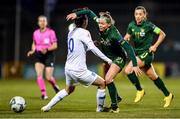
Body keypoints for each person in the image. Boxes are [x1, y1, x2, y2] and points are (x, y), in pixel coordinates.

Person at [66, 8, 142, 113]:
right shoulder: (99, 22)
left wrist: (134, 64)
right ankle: (117, 97)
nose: (100, 25)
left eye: (102, 24)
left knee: (108, 79)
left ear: (109, 25)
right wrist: (76, 14)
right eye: (99, 23)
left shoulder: (114, 34)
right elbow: (88, 11)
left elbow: (128, 48)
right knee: (106, 81)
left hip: (118, 57)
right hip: (109, 58)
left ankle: (115, 107)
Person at [41, 9, 112, 112]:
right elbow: (93, 49)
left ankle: (47, 107)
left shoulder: (71, 32)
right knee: (102, 83)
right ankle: (100, 109)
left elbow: (78, 49)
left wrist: (90, 45)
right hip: (79, 71)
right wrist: (108, 60)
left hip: (68, 69)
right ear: (85, 21)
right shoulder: (84, 32)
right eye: (86, 19)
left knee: (68, 90)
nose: (87, 21)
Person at [124, 6, 174, 108]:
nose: (138, 16)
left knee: (128, 70)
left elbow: (162, 34)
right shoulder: (131, 25)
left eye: (140, 14)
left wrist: (154, 46)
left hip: (147, 54)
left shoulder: (149, 25)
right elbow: (127, 36)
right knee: (153, 77)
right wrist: (126, 39)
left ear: (144, 15)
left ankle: (140, 90)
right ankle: (168, 95)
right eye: (136, 14)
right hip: (138, 54)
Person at [27, 15, 60, 100]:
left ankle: (55, 86)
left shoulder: (51, 32)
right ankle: (43, 94)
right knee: (39, 75)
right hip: (39, 55)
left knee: (48, 77)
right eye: (40, 21)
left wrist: (47, 49)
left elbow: (55, 45)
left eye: (44, 21)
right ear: (38, 23)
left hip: (49, 55)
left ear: (46, 22)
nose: (42, 22)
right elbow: (34, 43)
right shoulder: (35, 33)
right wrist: (32, 50)